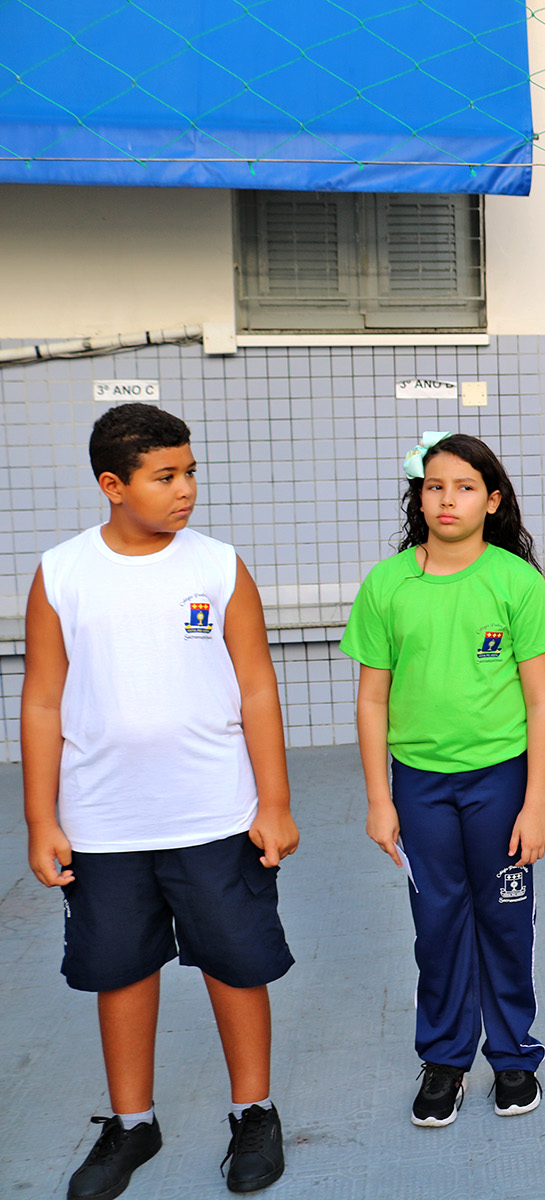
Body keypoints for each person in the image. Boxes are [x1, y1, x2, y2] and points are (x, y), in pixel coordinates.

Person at [21, 403, 298, 1198]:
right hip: (103, 823)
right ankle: (132, 1123)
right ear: (113, 485)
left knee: (235, 963)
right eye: (165, 476)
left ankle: (254, 1111)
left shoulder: (218, 567)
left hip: (215, 814)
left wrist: (274, 802)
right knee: (122, 969)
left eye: (191, 472)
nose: (186, 490)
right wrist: (42, 819)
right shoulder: (62, 573)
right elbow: (42, 700)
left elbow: (257, 687)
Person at [341, 432, 545, 1128]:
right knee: (436, 923)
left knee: (504, 918)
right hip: (420, 786)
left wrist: (535, 804)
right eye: (435, 486)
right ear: (419, 498)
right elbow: (371, 700)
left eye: (465, 487)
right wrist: (380, 799)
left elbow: (541, 703)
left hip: (500, 782)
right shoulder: (388, 585)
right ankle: (445, 1060)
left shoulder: (516, 582)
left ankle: (513, 1056)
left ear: (491, 501)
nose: (448, 499)